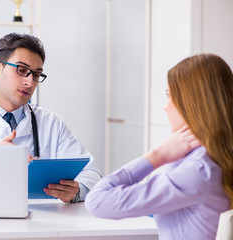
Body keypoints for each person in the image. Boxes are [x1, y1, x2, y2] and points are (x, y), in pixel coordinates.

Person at [0, 32, 102, 203]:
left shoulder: (51, 123)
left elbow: (92, 174)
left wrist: (76, 191)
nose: (30, 82)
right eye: (21, 70)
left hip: (40, 224)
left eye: (36, 75)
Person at [85, 53, 233, 239]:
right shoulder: (212, 158)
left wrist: (157, 156)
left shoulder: (198, 170)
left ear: (192, 102)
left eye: (169, 95)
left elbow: (97, 201)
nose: (165, 107)